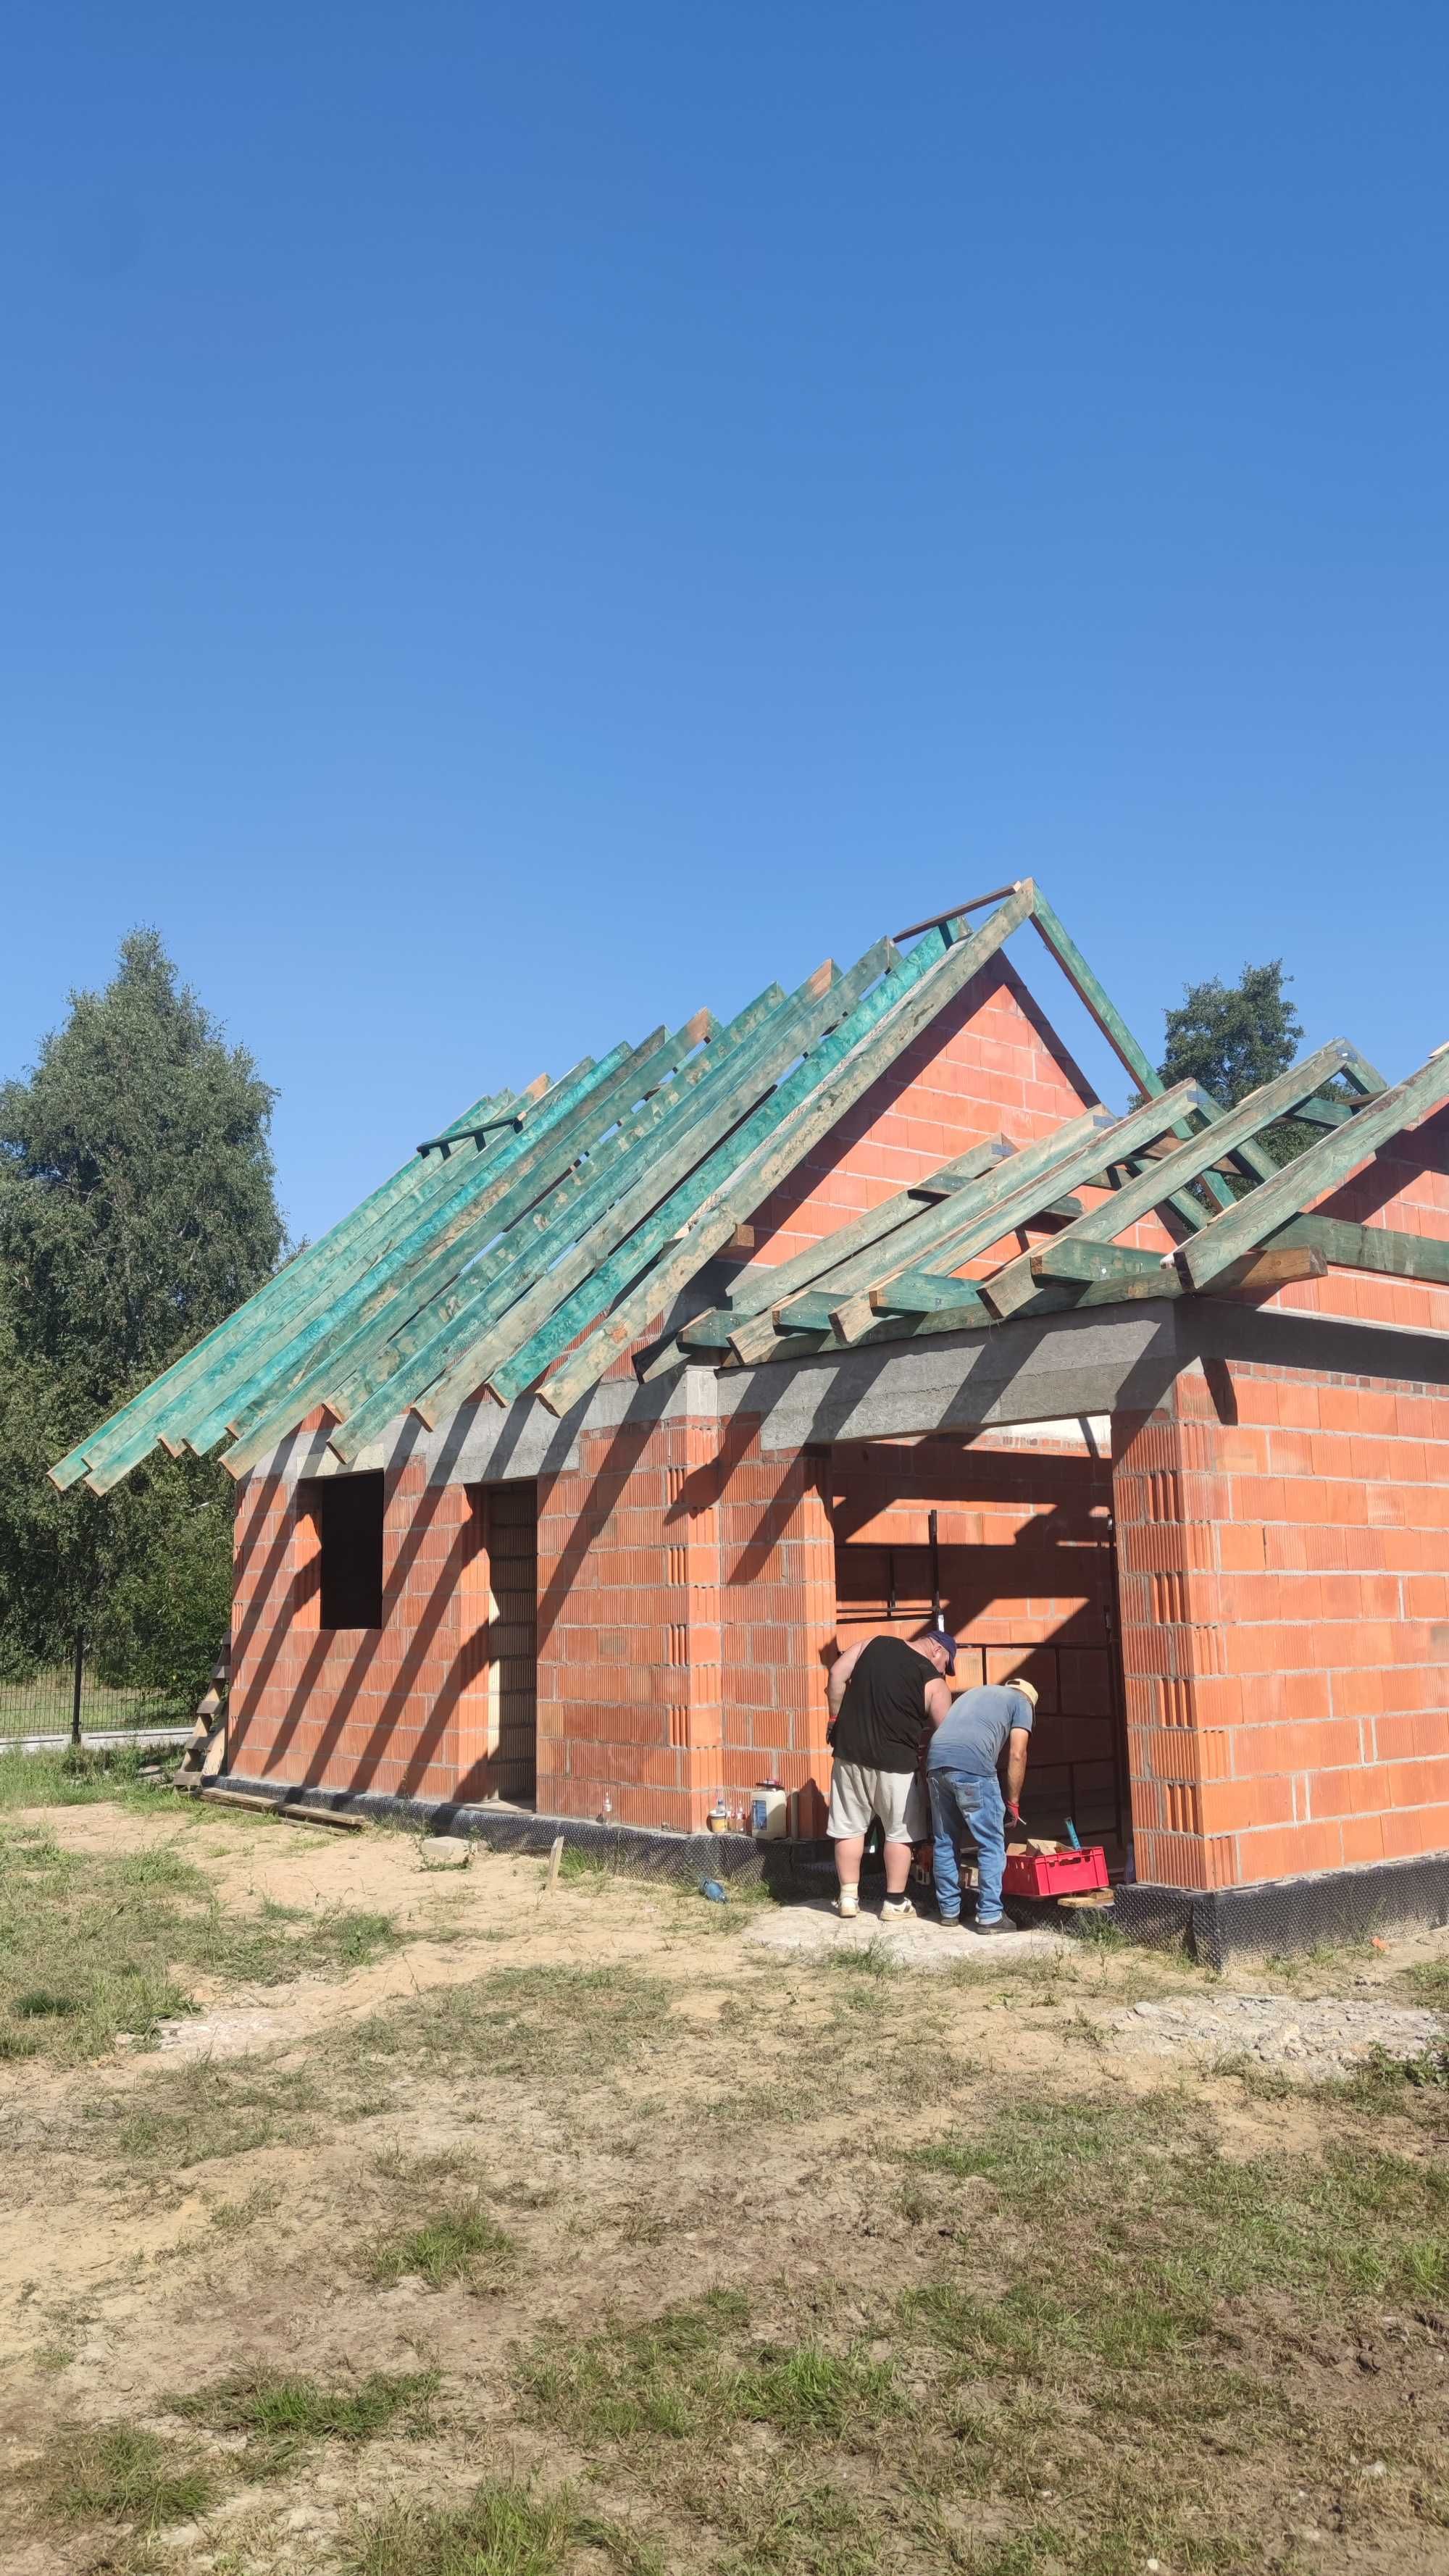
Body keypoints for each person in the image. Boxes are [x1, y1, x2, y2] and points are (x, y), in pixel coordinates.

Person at [825, 1626, 957, 1920]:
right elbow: (947, 1735)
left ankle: (848, 1897)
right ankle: (895, 1902)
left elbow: (835, 1675)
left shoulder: (874, 1643)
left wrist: (834, 1718)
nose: (944, 1672)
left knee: (849, 1827)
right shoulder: (934, 1682)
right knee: (900, 1833)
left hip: (850, 1754)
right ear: (936, 1650)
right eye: (946, 1664)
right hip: (897, 1765)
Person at [926, 1675, 1038, 1936]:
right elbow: (1017, 1753)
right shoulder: (1021, 1703)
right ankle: (989, 1915)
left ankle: (949, 1911)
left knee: (945, 1840)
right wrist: (1013, 1803)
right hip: (972, 1766)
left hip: (935, 1763)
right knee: (990, 1841)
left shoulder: (977, 1693)